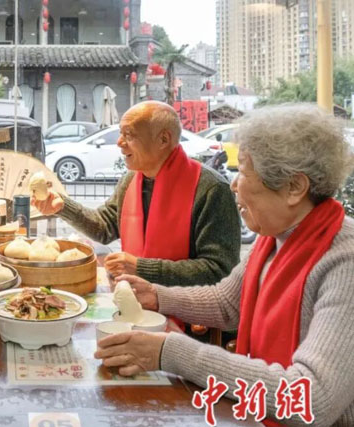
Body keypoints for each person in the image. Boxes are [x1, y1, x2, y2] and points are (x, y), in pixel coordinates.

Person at [95, 104, 354, 427]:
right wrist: (156, 295)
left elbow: (311, 397)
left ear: (294, 187)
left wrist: (170, 352)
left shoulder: (344, 261)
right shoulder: (277, 237)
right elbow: (228, 301)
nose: (233, 184)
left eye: (243, 172)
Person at [33, 101, 241, 288]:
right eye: (121, 134)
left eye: (129, 135)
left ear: (163, 139)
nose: (119, 142)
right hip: (135, 302)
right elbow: (105, 227)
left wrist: (141, 268)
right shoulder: (132, 179)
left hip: (187, 315)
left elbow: (220, 271)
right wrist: (63, 207)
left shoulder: (211, 189)